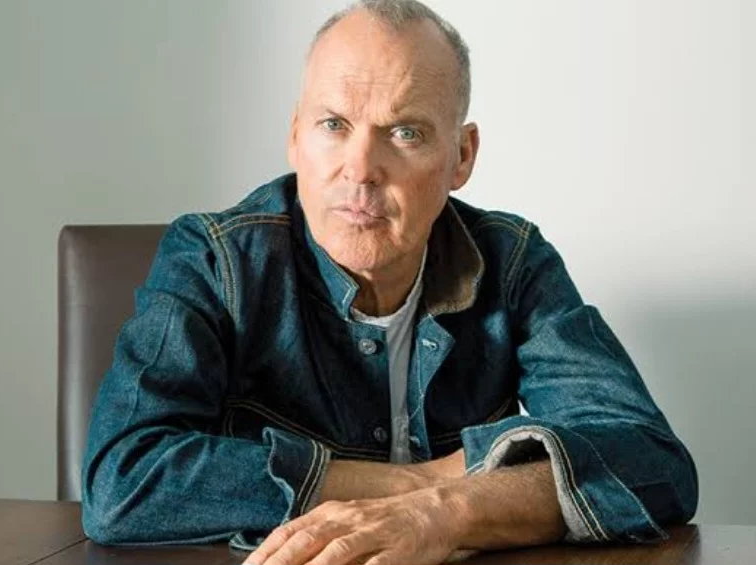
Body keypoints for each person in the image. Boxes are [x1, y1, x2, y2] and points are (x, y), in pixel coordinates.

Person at [81, 1, 698, 563]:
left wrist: (446, 512)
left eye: (405, 132)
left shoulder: (513, 262)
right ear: (295, 135)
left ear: (462, 156)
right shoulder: (214, 259)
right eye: (333, 125)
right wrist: (418, 482)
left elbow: (652, 462)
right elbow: (123, 481)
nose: (361, 170)